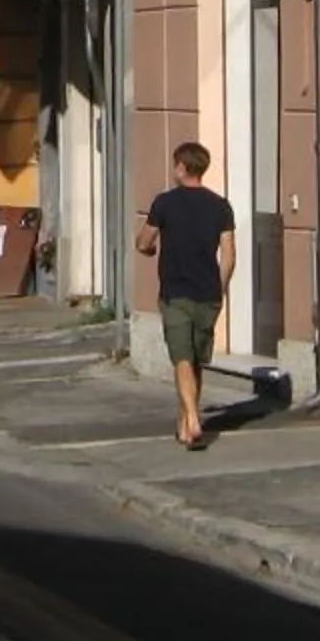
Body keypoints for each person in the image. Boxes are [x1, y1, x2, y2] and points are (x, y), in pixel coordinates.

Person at [136, 141, 237, 450]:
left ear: (181, 167)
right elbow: (229, 256)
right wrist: (219, 288)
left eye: (175, 165)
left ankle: (192, 418)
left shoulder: (164, 203)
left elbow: (143, 242)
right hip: (208, 295)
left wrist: (150, 249)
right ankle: (184, 424)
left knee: (181, 357)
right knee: (195, 360)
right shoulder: (221, 206)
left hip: (176, 292)